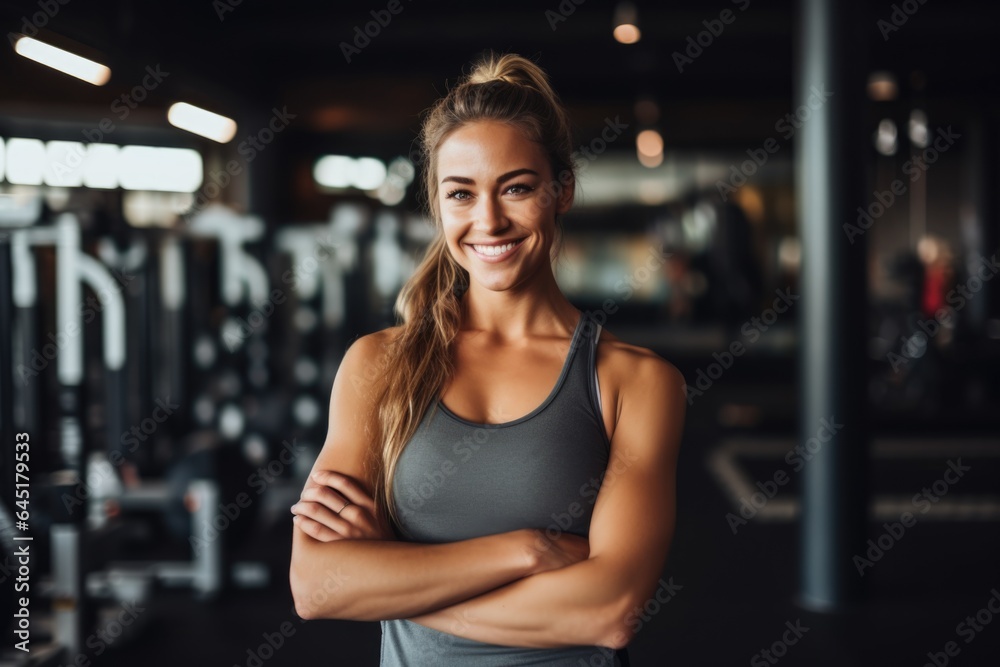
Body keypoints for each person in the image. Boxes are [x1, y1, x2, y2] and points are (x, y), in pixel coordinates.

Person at [289, 52, 687, 666]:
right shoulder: (378, 366)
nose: (488, 220)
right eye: (461, 194)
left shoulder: (636, 381)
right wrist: (524, 550)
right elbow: (316, 586)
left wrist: (392, 584)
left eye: (517, 188)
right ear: (438, 205)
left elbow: (609, 611)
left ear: (563, 191)